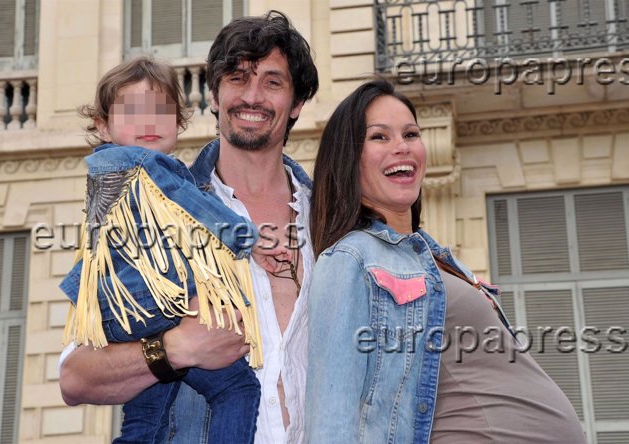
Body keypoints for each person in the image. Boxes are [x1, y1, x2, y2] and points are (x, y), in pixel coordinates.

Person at [59, 11, 319, 444]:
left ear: (295, 104)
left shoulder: (334, 222)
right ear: (213, 96)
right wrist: (175, 350)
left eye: (272, 82)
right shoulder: (147, 204)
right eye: (237, 78)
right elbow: (75, 377)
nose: (251, 96)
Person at [305, 79, 586, 443]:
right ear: (348, 160)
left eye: (410, 134)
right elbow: (332, 414)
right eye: (379, 137)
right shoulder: (349, 260)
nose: (401, 148)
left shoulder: (435, 258)